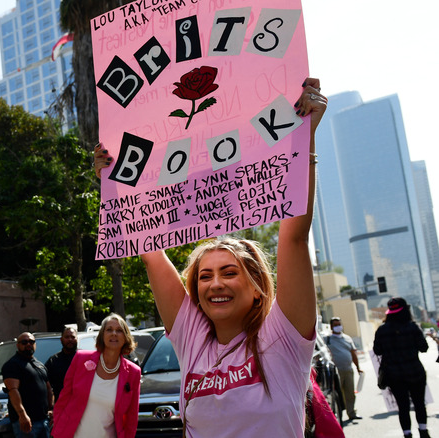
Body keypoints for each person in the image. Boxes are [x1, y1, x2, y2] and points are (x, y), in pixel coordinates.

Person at [94, 78, 326, 437]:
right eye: (204, 277)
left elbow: (294, 237)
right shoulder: (192, 337)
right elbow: (152, 254)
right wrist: (114, 178)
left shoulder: (284, 337)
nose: (215, 283)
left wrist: (304, 133)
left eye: (229, 272)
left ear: (258, 289)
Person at [51, 314, 141, 438]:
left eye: (119, 330)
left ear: (125, 337)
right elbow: (64, 398)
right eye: (109, 329)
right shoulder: (80, 359)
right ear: (102, 335)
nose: (114, 333)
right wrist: (58, 429)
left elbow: (132, 417)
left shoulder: (133, 372)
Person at [373, 297, 431, 438]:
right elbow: (424, 348)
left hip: (394, 375)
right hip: (415, 371)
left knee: (402, 406)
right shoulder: (412, 327)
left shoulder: (382, 330)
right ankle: (423, 431)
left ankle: (407, 433)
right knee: (419, 403)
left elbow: (377, 351)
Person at [2, 332, 53, 438]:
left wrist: (51, 409)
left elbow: (48, 388)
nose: (28, 344)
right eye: (24, 342)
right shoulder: (12, 365)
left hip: (44, 420)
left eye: (31, 341)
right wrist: (22, 415)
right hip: (26, 423)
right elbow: (13, 391)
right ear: (18, 345)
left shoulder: (40, 365)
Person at [325, 317, 363, 422]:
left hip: (348, 369)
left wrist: (358, 367)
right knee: (337, 394)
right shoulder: (327, 339)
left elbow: (353, 353)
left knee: (350, 392)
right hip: (336, 371)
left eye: (339, 324)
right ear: (331, 326)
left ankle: (351, 413)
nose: (338, 327)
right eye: (335, 325)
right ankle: (337, 416)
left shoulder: (347, 338)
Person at [45, 326, 78, 400]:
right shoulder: (53, 361)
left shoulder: (85, 359)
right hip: (62, 405)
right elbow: (46, 386)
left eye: (73, 337)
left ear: (77, 339)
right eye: (67, 337)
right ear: (61, 339)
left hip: (83, 405)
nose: (70, 340)